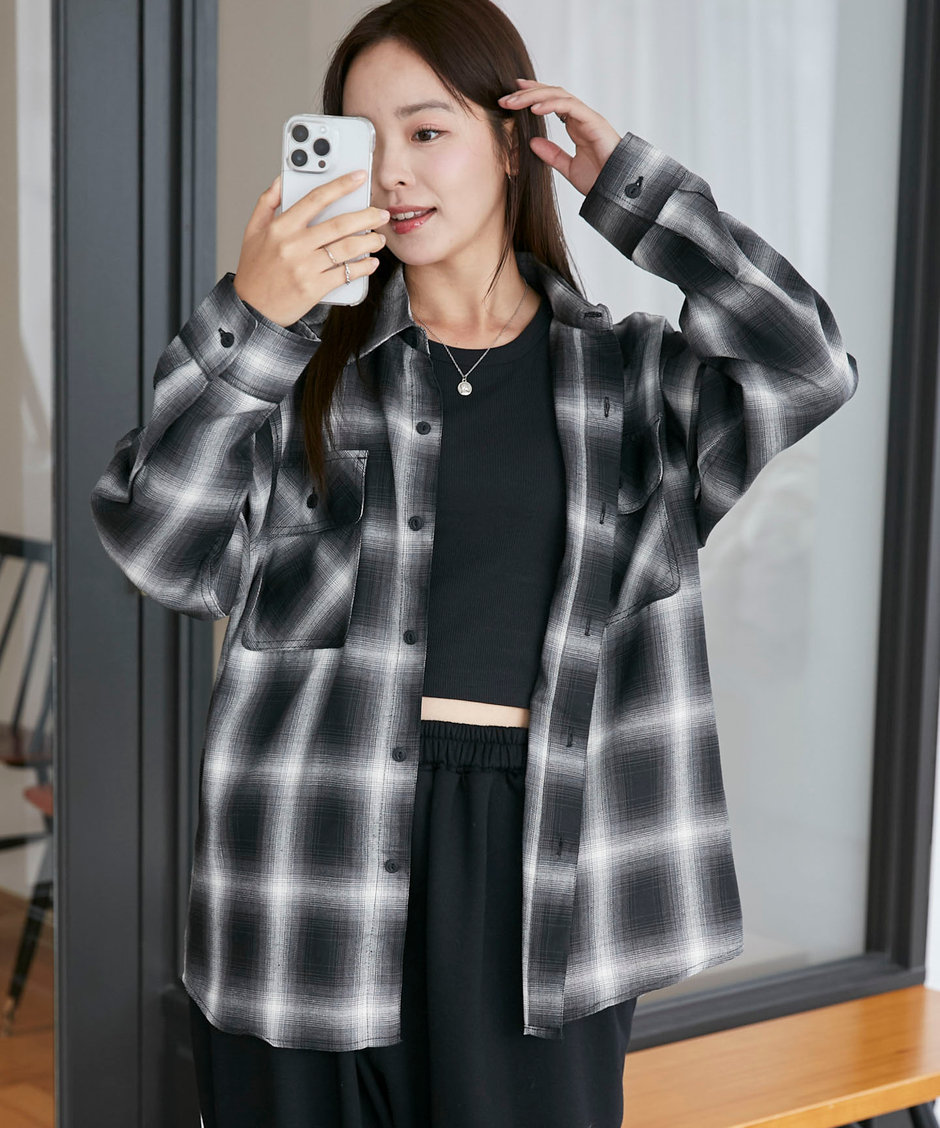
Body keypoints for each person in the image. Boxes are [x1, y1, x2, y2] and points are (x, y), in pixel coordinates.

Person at [88, 0, 859, 1124]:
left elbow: (809, 366)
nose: (392, 172)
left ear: (509, 144)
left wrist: (635, 194)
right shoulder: (295, 373)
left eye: (426, 131)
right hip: (307, 862)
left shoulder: (632, 379)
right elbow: (157, 549)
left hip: (549, 867)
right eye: (362, 140)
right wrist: (253, 317)